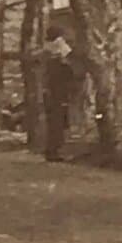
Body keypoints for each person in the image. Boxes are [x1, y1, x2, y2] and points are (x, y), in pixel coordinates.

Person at [39, 26, 78, 162]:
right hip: (57, 93)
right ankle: (54, 151)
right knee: (57, 122)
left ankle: (53, 149)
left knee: (55, 122)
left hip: (52, 93)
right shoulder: (56, 58)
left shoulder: (47, 54)